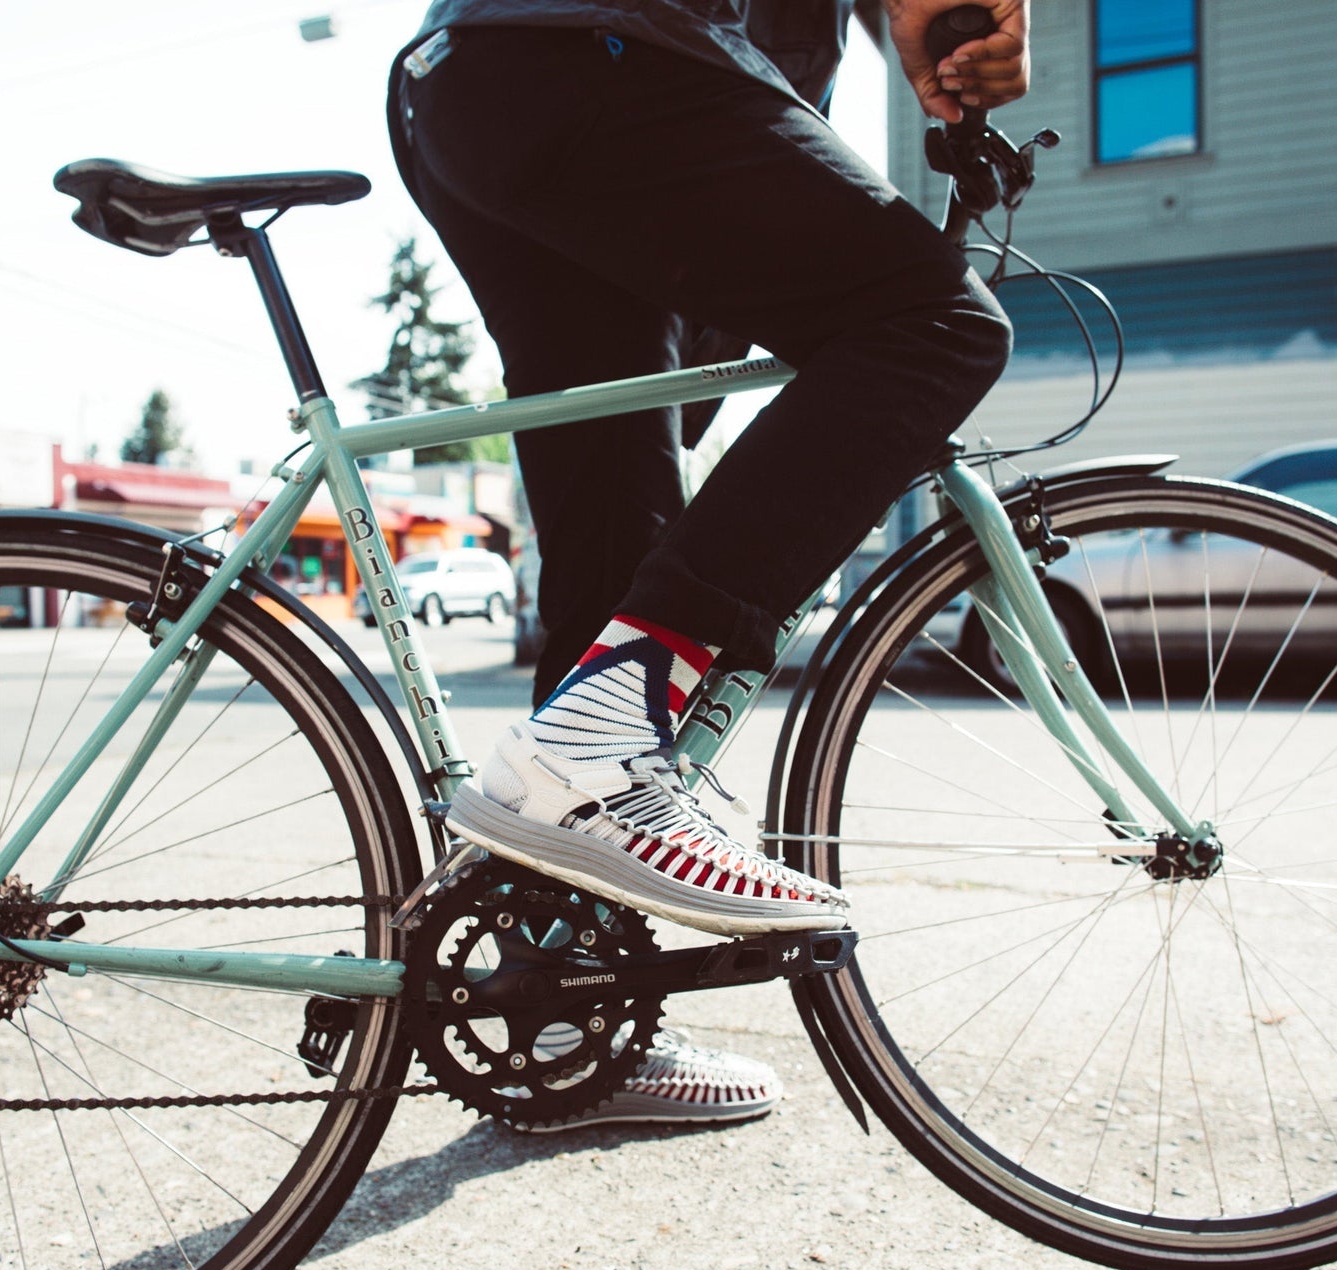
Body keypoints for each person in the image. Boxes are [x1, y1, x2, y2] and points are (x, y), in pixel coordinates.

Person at [388, 0, 1027, 1128]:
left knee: (611, 551)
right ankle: (607, 725)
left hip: (473, 81)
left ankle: (564, 1017)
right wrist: (961, 30)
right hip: (601, 52)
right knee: (933, 324)